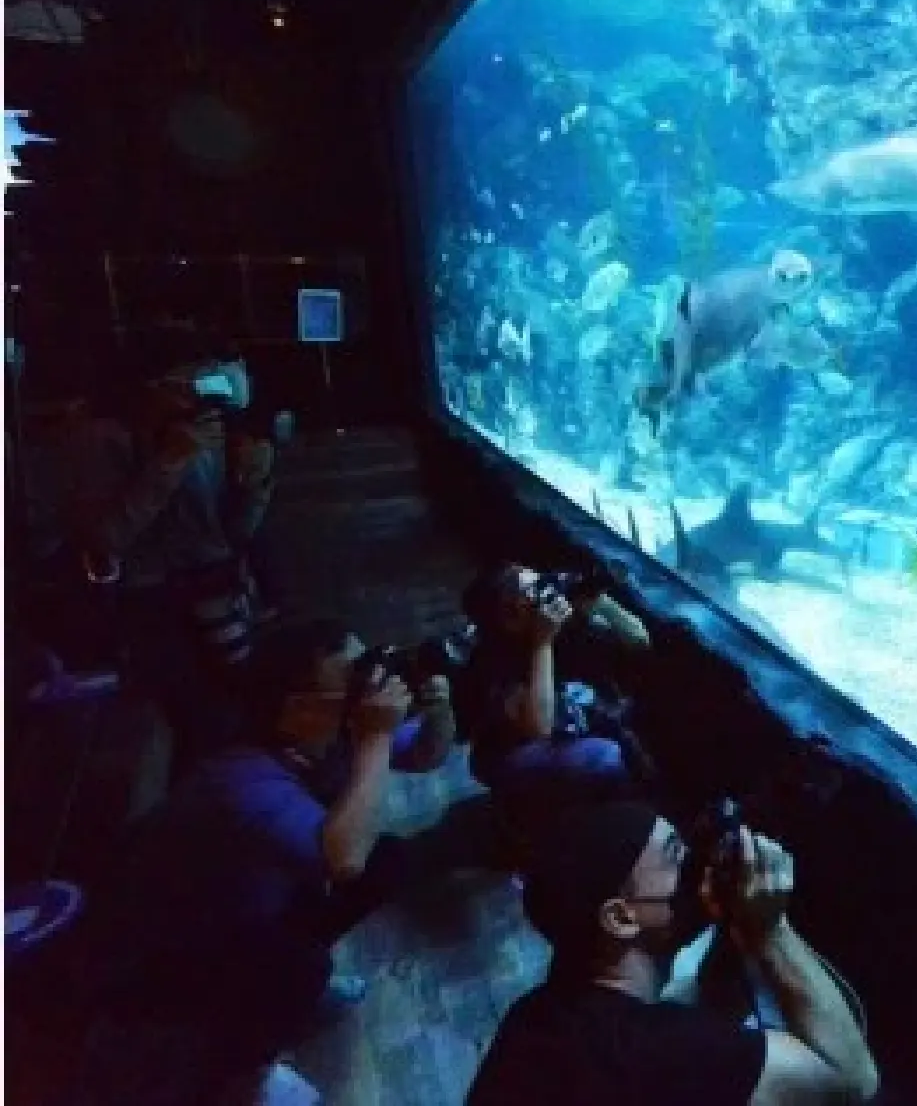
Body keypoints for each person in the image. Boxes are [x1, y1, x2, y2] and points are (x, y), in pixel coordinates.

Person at [74, 616, 458, 1105]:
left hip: (259, 897)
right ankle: (245, 1076)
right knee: (297, 968)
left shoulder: (328, 733)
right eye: (356, 677)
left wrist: (438, 706)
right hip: (172, 940)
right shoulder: (241, 780)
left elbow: (427, 753)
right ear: (298, 710)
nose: (373, 683)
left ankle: (275, 987)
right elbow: (344, 860)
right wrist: (375, 739)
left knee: (390, 862)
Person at [467, 800, 880, 1105]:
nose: (694, 869)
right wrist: (771, 930)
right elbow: (850, 1077)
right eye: (676, 858)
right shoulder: (660, 1053)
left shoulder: (532, 1016)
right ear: (620, 919)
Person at [62, 331, 276, 760]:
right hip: (150, 603)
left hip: (220, 593)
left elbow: (233, 534)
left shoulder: (209, 434)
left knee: (247, 704)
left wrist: (256, 485)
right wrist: (168, 463)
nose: (204, 398)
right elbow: (107, 540)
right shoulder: (101, 437)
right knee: (190, 721)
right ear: (152, 387)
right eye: (190, 384)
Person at [462, 561, 655, 843]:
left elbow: (639, 640)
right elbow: (538, 728)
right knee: (605, 756)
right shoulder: (491, 657)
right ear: (509, 615)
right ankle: (528, 820)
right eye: (533, 590)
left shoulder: (560, 624)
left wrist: (598, 602)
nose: (546, 591)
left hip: (568, 723)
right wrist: (543, 644)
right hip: (513, 754)